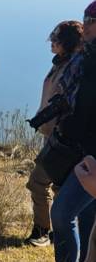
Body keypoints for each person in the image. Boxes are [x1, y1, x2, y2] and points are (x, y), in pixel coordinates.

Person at [25, 21, 84, 247]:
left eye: (56, 37)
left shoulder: (74, 69)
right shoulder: (60, 63)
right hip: (52, 136)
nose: (51, 40)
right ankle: (57, 233)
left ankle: (44, 231)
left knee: (38, 182)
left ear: (67, 42)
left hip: (62, 140)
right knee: (57, 186)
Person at [49, 0, 96, 262]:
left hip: (92, 154)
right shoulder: (83, 58)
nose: (86, 26)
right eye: (85, 20)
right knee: (88, 214)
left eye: (92, 21)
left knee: (62, 212)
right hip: (81, 151)